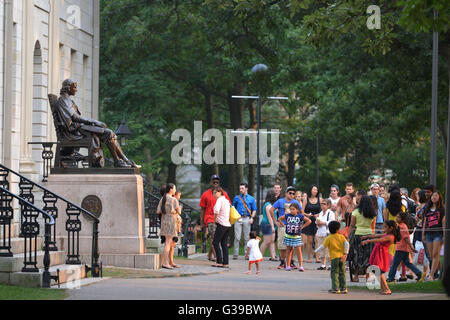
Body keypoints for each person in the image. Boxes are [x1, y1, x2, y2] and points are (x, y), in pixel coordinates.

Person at [56, 79, 136, 168]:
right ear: (68, 88)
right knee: (108, 133)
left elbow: (76, 118)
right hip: (74, 132)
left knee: (110, 133)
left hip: (79, 129)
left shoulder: (68, 100)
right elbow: (76, 118)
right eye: (74, 87)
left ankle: (124, 160)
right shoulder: (63, 100)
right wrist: (95, 122)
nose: (76, 89)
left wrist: (95, 123)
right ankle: (119, 161)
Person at [361, 220, 399, 295]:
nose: (383, 228)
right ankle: (383, 288)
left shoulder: (391, 237)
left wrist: (368, 241)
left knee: (379, 272)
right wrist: (367, 236)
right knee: (376, 271)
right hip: (378, 253)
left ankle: (387, 289)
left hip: (381, 254)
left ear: (391, 228)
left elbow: (380, 239)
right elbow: (376, 236)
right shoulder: (386, 234)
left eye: (385, 227)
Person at [199, 175, 231, 262]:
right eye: (214, 182)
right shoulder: (205, 194)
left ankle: (210, 255)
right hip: (210, 219)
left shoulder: (224, 194)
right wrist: (201, 222)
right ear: (210, 182)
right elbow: (202, 209)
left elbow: (229, 206)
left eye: (217, 182)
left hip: (221, 220)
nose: (215, 183)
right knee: (213, 237)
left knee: (216, 239)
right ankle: (218, 257)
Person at [387, 211, 425, 283]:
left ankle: (390, 278)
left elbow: (406, 238)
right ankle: (419, 273)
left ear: (403, 219)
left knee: (395, 263)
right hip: (404, 248)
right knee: (407, 263)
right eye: (397, 217)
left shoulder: (402, 227)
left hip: (401, 248)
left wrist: (411, 247)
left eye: (398, 217)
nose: (396, 218)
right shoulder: (401, 226)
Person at [270, 186, 302, 270]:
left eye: (293, 194)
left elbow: (301, 212)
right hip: (283, 225)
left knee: (292, 245)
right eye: (290, 193)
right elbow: (271, 210)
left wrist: (299, 223)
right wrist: (275, 221)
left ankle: (291, 262)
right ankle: (282, 262)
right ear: (286, 193)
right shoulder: (280, 201)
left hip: (293, 227)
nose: (292, 195)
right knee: (282, 245)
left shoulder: (295, 202)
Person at [347, 195, 377, 282]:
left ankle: (356, 276)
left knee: (357, 256)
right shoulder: (372, 213)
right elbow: (372, 226)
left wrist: (348, 236)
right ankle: (368, 276)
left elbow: (352, 225)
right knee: (368, 257)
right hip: (369, 235)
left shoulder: (356, 212)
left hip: (358, 235)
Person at [315, 220, 349, 294]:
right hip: (342, 257)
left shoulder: (329, 238)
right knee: (342, 272)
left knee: (334, 272)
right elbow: (347, 244)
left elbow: (322, 246)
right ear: (338, 229)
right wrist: (345, 253)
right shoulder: (341, 237)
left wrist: (316, 251)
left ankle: (335, 288)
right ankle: (343, 288)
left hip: (334, 258)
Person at [278, 203, 311, 272]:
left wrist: (302, 227)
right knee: (288, 250)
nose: (292, 211)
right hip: (288, 235)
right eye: (290, 209)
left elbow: (309, 221)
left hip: (296, 236)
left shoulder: (300, 216)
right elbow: (279, 219)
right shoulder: (287, 216)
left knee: (298, 251)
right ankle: (288, 265)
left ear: (297, 210)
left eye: (293, 209)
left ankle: (301, 266)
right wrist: (284, 225)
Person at [422, 190, 446, 281]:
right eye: (433, 196)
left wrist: (444, 235)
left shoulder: (442, 209)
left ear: (439, 197)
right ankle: (442, 273)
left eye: (436, 196)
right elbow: (425, 222)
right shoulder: (427, 208)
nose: (434, 197)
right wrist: (423, 234)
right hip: (428, 234)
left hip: (438, 234)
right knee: (432, 256)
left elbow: (444, 222)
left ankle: (431, 276)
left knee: (436, 254)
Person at [158, 183, 181, 269]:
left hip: (164, 222)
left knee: (166, 243)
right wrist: (175, 211)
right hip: (171, 222)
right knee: (168, 243)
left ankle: (167, 262)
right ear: (171, 189)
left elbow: (158, 211)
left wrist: (166, 211)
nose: (175, 190)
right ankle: (165, 263)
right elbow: (179, 212)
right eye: (174, 188)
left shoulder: (162, 199)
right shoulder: (173, 200)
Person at [232, 183, 257, 260]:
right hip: (238, 218)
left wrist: (252, 218)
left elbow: (254, 209)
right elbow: (233, 208)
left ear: (246, 189)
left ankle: (247, 254)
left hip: (247, 218)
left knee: (247, 237)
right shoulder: (237, 198)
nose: (241, 190)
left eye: (242, 188)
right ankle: (235, 254)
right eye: (240, 188)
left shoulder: (251, 198)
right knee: (237, 237)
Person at [211, 186, 231, 268]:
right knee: (224, 244)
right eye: (213, 193)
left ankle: (219, 261)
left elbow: (216, 211)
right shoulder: (226, 200)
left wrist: (215, 220)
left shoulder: (219, 200)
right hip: (227, 224)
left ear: (220, 192)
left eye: (215, 192)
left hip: (221, 224)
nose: (214, 194)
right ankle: (225, 262)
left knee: (215, 242)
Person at [302, 185, 321, 263]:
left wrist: (318, 214)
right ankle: (309, 257)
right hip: (309, 220)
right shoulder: (306, 200)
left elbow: (322, 211)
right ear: (310, 190)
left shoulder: (320, 199)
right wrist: (307, 215)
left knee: (316, 239)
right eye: (314, 189)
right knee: (309, 240)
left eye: (316, 190)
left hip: (317, 221)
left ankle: (317, 257)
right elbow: (302, 212)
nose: (315, 191)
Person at [316, 199, 335, 270]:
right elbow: (318, 222)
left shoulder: (330, 213)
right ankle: (323, 264)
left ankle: (330, 264)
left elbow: (332, 222)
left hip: (327, 233)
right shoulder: (320, 213)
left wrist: (323, 223)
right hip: (320, 232)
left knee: (328, 249)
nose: (322, 205)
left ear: (328, 205)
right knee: (321, 248)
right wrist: (318, 223)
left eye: (324, 204)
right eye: (321, 204)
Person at [259, 190, 278, 261]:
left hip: (271, 224)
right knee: (266, 241)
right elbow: (269, 217)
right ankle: (259, 255)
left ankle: (273, 256)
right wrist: (272, 227)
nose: (276, 197)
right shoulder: (268, 205)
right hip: (267, 224)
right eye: (275, 195)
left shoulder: (271, 205)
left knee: (272, 241)